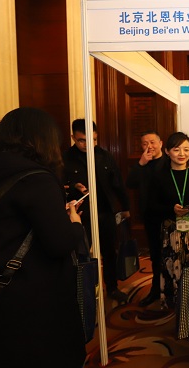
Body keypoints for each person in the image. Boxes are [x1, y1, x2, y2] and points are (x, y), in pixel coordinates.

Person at [0, 107, 86, 367]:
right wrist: (75, 225)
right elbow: (59, 243)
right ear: (44, 139)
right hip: (29, 297)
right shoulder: (36, 179)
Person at [63, 119, 131, 303]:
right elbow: (59, 184)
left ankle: (112, 288)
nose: (88, 144)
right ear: (73, 137)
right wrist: (73, 186)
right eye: (82, 140)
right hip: (81, 215)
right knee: (81, 254)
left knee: (109, 252)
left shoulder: (104, 155)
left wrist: (126, 207)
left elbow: (118, 183)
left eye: (92, 140)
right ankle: (81, 291)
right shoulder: (65, 158)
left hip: (105, 212)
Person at [149, 132, 189, 309]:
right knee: (172, 267)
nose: (182, 154)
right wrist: (171, 210)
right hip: (171, 231)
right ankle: (174, 303)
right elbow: (151, 206)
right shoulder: (159, 176)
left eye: (186, 149)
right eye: (176, 149)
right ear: (167, 151)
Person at [126, 130, 168, 307]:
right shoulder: (142, 164)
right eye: (145, 143)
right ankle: (155, 290)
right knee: (155, 255)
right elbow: (130, 183)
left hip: (168, 216)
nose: (149, 146)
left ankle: (172, 291)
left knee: (170, 255)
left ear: (161, 143)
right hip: (150, 217)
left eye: (152, 142)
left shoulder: (169, 161)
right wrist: (141, 164)